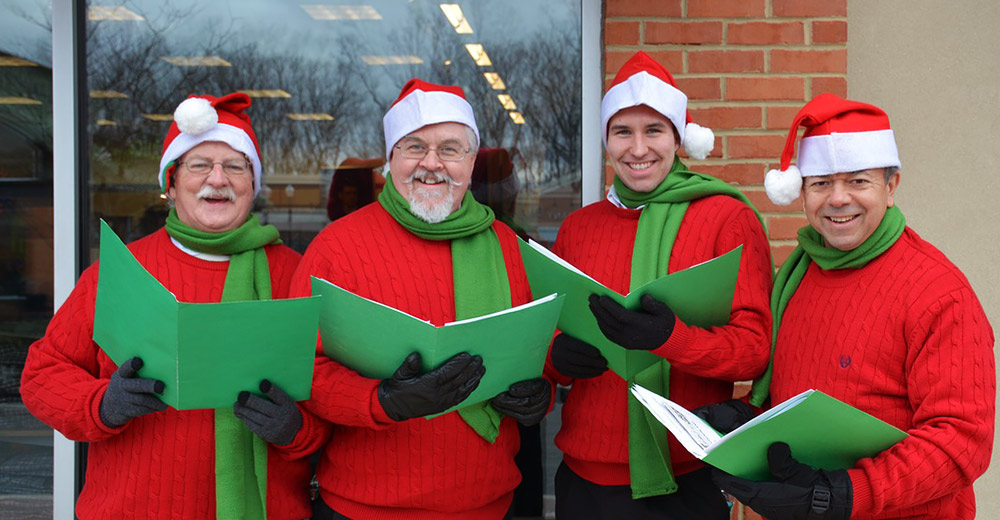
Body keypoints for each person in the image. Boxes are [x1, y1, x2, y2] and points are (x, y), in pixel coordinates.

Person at [20, 92, 329, 519]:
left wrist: (296, 430)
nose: (217, 179)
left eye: (235, 166)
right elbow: (41, 376)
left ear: (252, 184)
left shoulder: (297, 276)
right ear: (171, 181)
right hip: (131, 509)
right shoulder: (121, 272)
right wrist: (101, 404)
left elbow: (333, 400)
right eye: (199, 164)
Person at [711, 93, 996, 519]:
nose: (838, 198)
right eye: (821, 182)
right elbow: (796, 399)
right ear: (802, 191)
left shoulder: (940, 292)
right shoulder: (797, 276)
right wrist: (747, 418)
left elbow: (960, 442)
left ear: (891, 187)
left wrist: (845, 493)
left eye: (858, 181)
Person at [291, 79, 553, 520]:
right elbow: (299, 368)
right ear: (390, 158)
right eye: (414, 147)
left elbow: (540, 346)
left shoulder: (509, 247)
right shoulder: (336, 247)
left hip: (489, 505)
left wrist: (537, 390)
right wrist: (380, 401)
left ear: (471, 161)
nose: (431, 164)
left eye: (450, 149)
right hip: (363, 508)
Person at [545, 51, 774, 519]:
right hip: (583, 477)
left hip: (684, 477)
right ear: (606, 141)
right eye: (622, 132)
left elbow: (755, 349)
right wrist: (556, 356)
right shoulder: (578, 227)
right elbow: (548, 331)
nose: (637, 148)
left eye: (653, 131)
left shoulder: (726, 219)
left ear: (678, 138)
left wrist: (671, 339)